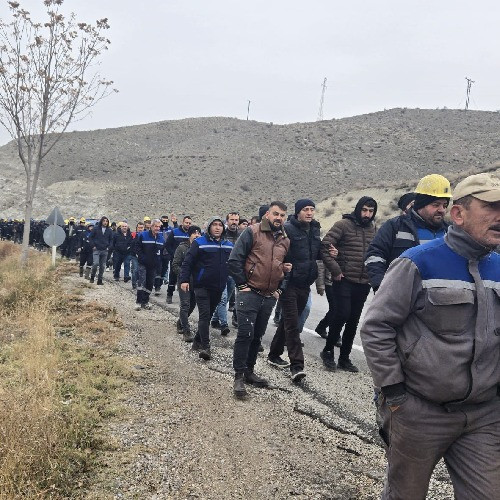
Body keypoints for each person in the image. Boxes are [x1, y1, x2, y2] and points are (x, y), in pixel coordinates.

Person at [360, 173, 500, 499]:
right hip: (419, 412)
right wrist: (394, 394)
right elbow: (376, 326)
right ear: (459, 214)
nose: (499, 216)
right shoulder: (417, 263)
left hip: (484, 415)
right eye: (491, 207)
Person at [228, 201, 291, 398]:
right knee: (245, 334)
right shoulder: (252, 232)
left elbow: (287, 266)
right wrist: (241, 285)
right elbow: (234, 260)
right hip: (250, 293)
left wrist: (280, 289)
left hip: (269, 296)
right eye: (275, 214)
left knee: (257, 336)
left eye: (282, 215)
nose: (278, 218)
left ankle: (249, 371)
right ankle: (238, 377)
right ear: (267, 215)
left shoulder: (285, 239)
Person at [319, 196, 377, 372]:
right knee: (341, 314)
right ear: (358, 209)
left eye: (371, 211)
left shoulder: (373, 229)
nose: (367, 214)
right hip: (343, 279)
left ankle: (344, 357)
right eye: (364, 210)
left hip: (363, 282)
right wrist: (336, 270)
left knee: (353, 320)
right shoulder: (343, 225)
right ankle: (328, 351)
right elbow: (324, 248)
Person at [365, 174, 451, 291]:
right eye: (435, 205)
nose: (441, 210)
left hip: (440, 301)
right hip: (401, 300)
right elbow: (374, 256)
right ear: (421, 205)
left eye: (445, 205)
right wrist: (381, 287)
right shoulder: (394, 226)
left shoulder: (450, 232)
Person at [267, 199, 321, 382]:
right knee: (292, 324)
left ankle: (273, 354)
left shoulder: (314, 230)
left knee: (287, 322)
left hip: (305, 284)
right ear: (298, 212)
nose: (309, 213)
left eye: (312, 209)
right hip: (288, 283)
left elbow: (314, 254)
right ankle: (297, 366)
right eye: (305, 209)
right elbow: (278, 253)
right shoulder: (288, 229)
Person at [179, 217, 233, 361]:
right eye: (214, 225)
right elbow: (187, 263)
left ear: (223, 228)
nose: (217, 227)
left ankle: (197, 341)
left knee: (208, 316)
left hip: (219, 286)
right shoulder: (199, 243)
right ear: (209, 227)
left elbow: (233, 264)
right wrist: (184, 280)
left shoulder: (228, 245)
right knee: (204, 315)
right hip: (201, 286)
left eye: (220, 225)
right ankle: (205, 347)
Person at [211, 211, 240, 335]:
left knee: (226, 298)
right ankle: (224, 324)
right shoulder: (222, 235)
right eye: (232, 220)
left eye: (236, 220)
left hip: (234, 273)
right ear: (227, 221)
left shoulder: (242, 235)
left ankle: (215, 319)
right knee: (222, 299)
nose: (234, 222)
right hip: (221, 271)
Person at [171, 225, 202, 342]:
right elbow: (175, 265)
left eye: (199, 233)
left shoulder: (201, 248)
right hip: (184, 281)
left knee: (193, 304)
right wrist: (185, 275)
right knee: (185, 304)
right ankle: (186, 330)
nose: (197, 235)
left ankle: (180, 322)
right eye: (195, 233)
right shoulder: (182, 248)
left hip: (197, 282)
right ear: (190, 235)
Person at [134, 219, 165, 310]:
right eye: (156, 226)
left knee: (150, 284)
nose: (157, 228)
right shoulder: (143, 235)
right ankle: (138, 302)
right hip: (143, 263)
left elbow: (162, 251)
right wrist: (142, 257)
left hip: (154, 265)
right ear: (151, 226)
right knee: (142, 282)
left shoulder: (161, 238)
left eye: (159, 227)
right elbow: (136, 247)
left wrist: (159, 262)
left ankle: (145, 301)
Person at [165, 215, 192, 303]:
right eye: (186, 223)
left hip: (188, 260)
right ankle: (169, 294)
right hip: (176, 259)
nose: (188, 224)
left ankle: (185, 297)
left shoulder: (191, 233)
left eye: (189, 223)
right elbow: (168, 244)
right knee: (172, 277)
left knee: (186, 277)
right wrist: (173, 254)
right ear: (182, 222)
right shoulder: (175, 232)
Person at [89, 216, 113, 285]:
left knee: (102, 266)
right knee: (95, 263)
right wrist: (93, 246)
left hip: (105, 250)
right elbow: (90, 237)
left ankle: (100, 280)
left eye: (106, 221)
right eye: (104, 221)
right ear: (101, 221)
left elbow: (111, 240)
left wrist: (109, 247)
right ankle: (92, 276)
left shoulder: (109, 230)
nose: (105, 222)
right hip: (96, 249)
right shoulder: (96, 229)